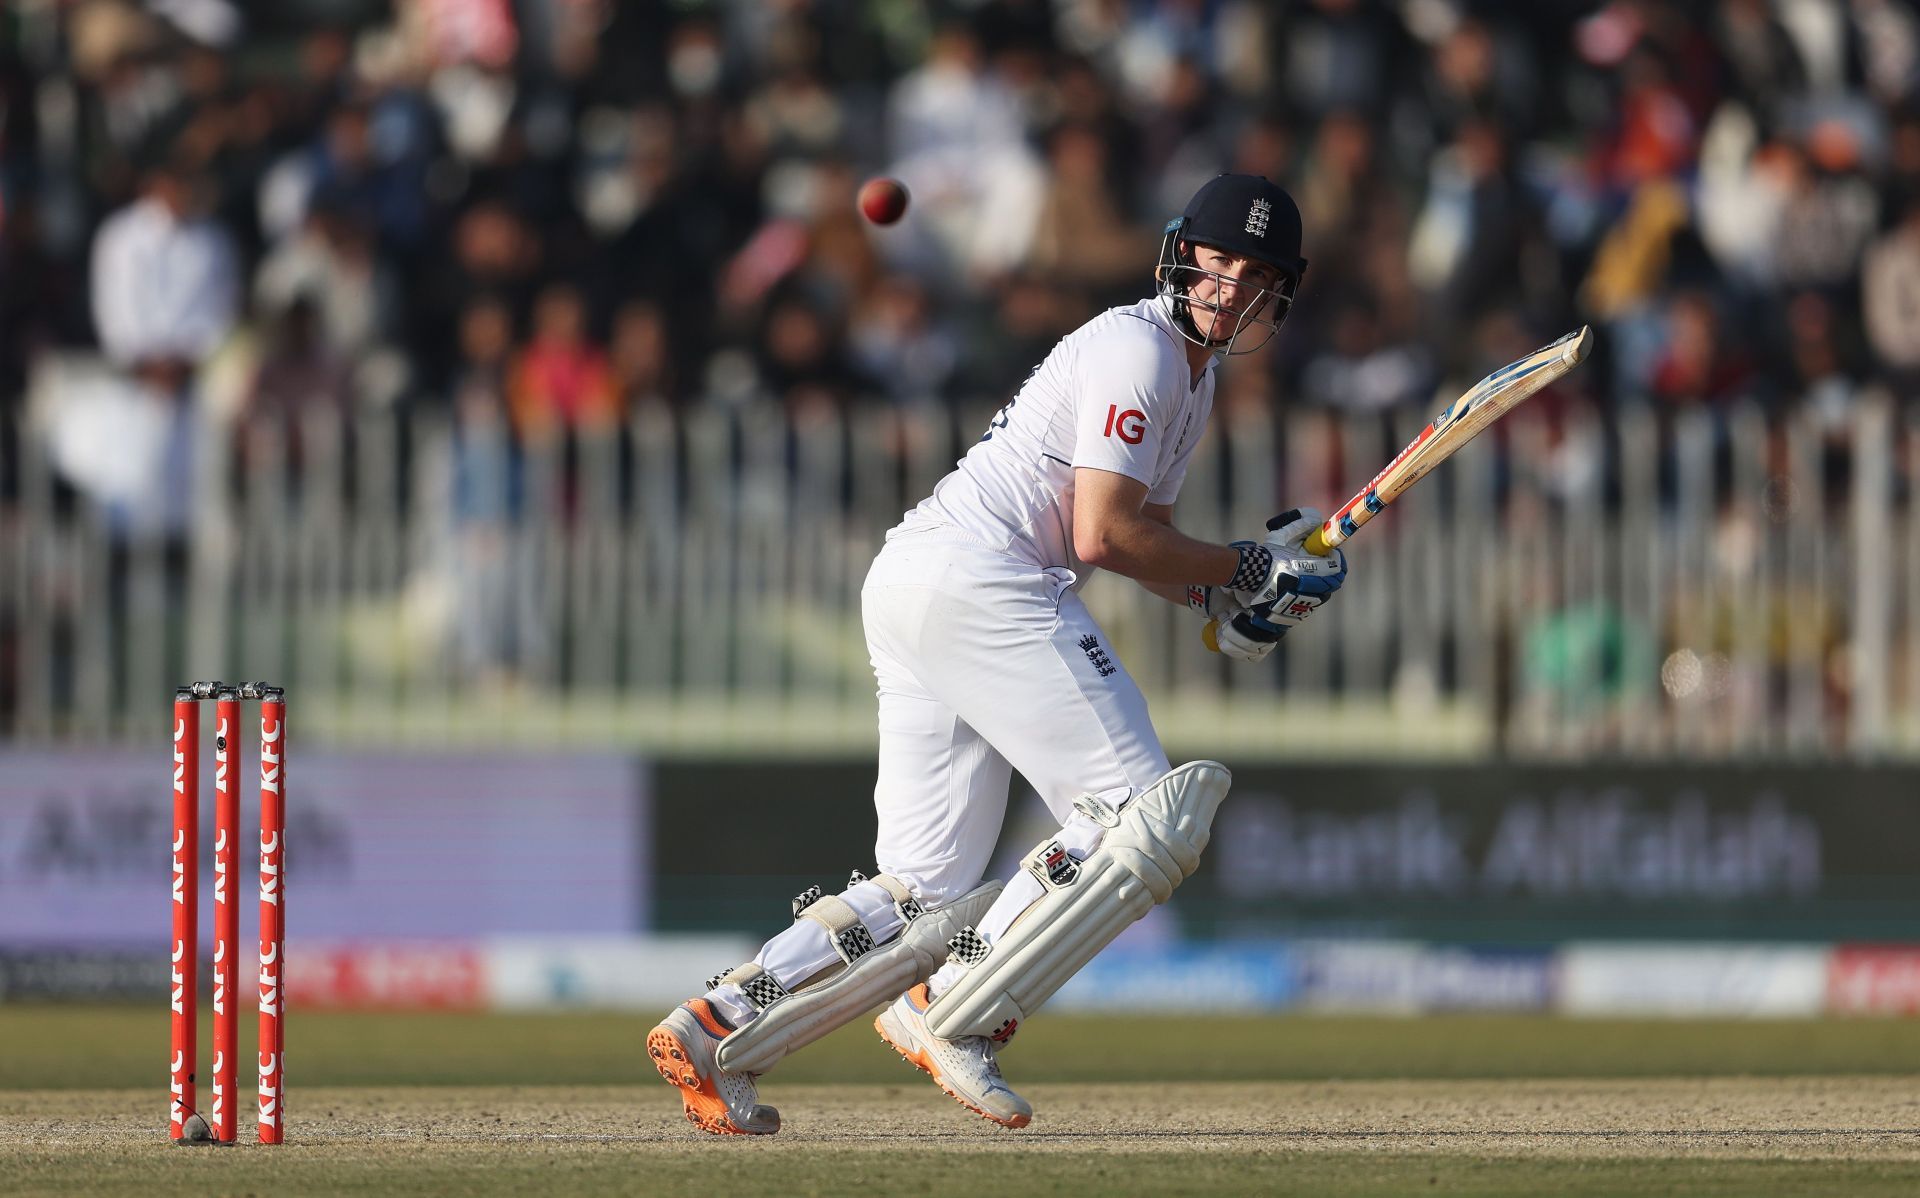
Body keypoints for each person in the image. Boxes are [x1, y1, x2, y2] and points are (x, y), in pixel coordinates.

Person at [645, 174, 1348, 1136]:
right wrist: (1246, 565)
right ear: (1182, 256)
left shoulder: (1192, 375)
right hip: (985, 580)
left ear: (1277, 294)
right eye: (1217, 263)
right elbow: (1104, 536)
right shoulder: (1139, 349)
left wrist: (1233, 594)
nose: (1228, 288)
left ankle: (719, 1028)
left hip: (919, 579)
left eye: (1253, 276)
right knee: (1145, 813)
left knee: (925, 891)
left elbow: (1149, 539)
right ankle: (951, 1011)